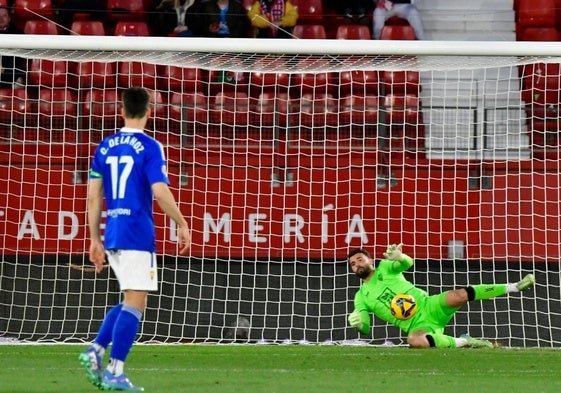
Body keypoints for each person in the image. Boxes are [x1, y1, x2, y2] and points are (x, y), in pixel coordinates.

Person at [79, 87, 192, 391]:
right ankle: (114, 370)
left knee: (130, 300)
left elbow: (93, 196)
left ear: (121, 111)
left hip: (113, 230)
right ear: (149, 112)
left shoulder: (104, 146)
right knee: (136, 303)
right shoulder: (150, 146)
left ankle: (96, 352)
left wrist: (94, 239)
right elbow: (159, 191)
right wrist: (181, 222)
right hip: (137, 231)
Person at [347, 244, 536, 348]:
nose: (357, 265)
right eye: (353, 264)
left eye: (360, 259)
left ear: (370, 260)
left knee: (458, 295)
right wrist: (358, 324)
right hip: (418, 325)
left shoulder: (385, 267)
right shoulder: (361, 297)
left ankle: (514, 287)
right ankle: (464, 341)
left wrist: (400, 256)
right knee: (415, 341)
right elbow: (365, 329)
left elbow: (407, 263)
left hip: (430, 305)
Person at [0, 6, 26, 87]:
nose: (1, 18)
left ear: (9, 18)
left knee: (19, 84)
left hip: (13, 74)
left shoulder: (18, 34)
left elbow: (23, 57)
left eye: (4, 16)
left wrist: (5, 68)